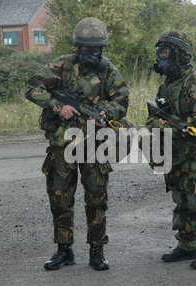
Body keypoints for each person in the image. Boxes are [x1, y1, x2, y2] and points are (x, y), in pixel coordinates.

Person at [25, 17, 130, 271]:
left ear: (102, 48)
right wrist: (57, 106)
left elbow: (122, 101)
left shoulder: (109, 71)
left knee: (96, 198)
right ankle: (64, 251)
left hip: (96, 144)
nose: (90, 54)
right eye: (85, 49)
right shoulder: (61, 65)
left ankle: (97, 251)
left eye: (95, 50)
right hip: (63, 145)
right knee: (60, 198)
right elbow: (32, 87)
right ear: (77, 47)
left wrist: (106, 112)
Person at [146, 30, 196, 269]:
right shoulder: (166, 86)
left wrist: (169, 125)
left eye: (166, 52)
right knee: (181, 201)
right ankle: (187, 246)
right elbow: (152, 119)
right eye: (160, 52)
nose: (161, 57)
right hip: (175, 155)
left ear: (180, 55)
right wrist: (157, 124)